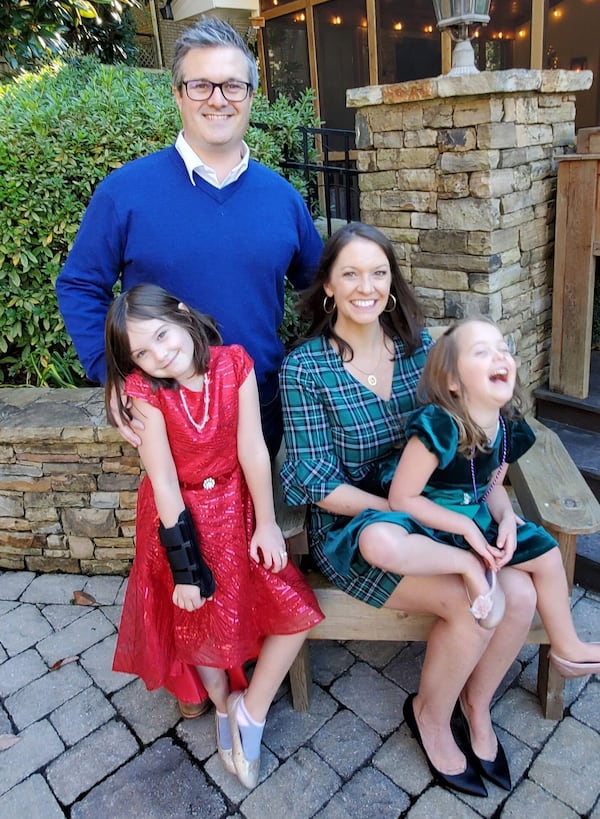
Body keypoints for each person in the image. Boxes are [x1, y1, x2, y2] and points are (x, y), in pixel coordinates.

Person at [279, 222, 546, 798]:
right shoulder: (305, 369)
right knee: (476, 605)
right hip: (357, 527)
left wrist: (487, 505)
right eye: (349, 273)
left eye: (378, 272)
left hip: (443, 513)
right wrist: (405, 508)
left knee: (522, 594)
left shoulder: (424, 350)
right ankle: (429, 712)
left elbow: (479, 432)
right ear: (327, 285)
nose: (365, 286)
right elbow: (313, 478)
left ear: (393, 283)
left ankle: (476, 708)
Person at [55, 16, 323, 461]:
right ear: (178, 94)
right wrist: (113, 373)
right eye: (201, 85)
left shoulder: (282, 198)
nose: (218, 99)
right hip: (166, 413)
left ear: (251, 96)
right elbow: (80, 285)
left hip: (260, 406)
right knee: (183, 531)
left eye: (233, 86)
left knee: (262, 528)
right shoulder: (125, 192)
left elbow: (322, 288)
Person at [104, 284, 323, 788]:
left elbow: (252, 449)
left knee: (294, 610)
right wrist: (186, 569)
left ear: (181, 313)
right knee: (197, 618)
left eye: (161, 334)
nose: (160, 353)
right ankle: (223, 704)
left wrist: (266, 523)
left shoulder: (233, 365)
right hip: (177, 519)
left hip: (235, 508)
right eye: (142, 351)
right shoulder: (146, 394)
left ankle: (251, 707)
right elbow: (162, 483)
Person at [387, 316, 600, 678]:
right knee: (512, 567)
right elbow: (402, 498)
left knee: (547, 553)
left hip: (479, 521)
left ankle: (566, 647)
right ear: (453, 381)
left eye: (503, 348)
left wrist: (504, 519)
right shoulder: (438, 427)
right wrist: (464, 527)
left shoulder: (508, 427)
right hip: (432, 524)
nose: (499, 356)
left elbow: (492, 488)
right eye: (482, 351)